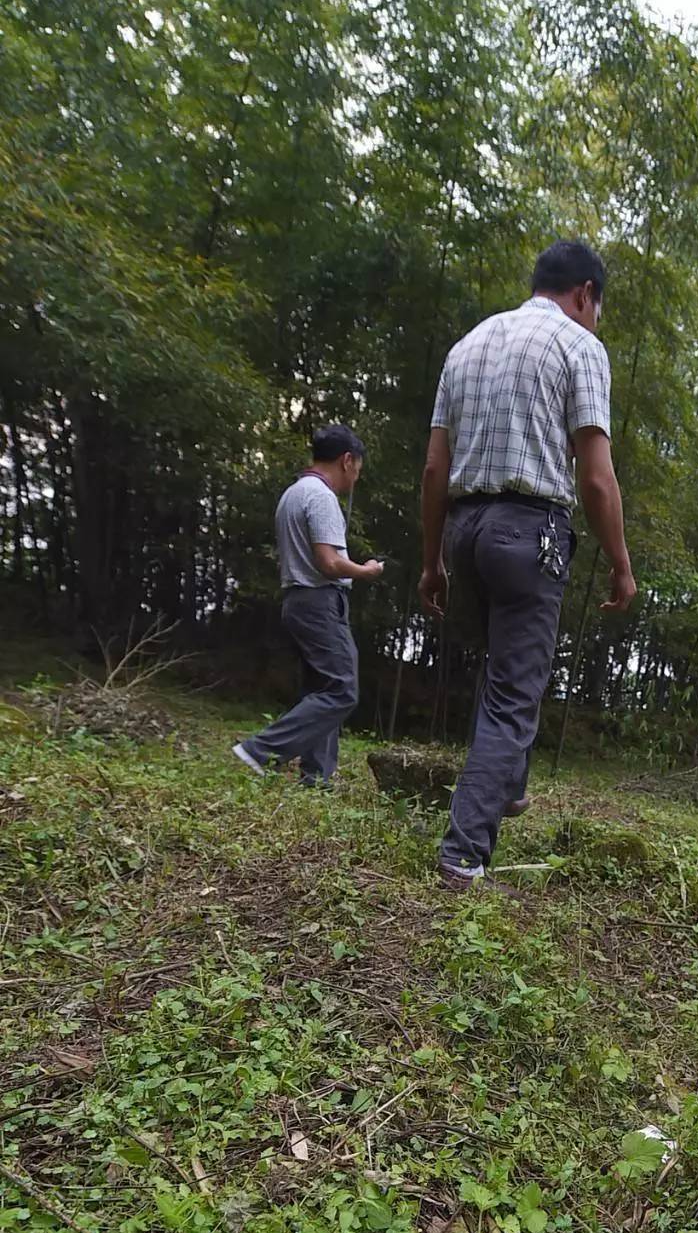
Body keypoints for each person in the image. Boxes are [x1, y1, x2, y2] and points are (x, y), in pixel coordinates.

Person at [419, 239, 635, 888]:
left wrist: (432, 560)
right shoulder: (579, 346)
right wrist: (622, 564)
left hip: (465, 530)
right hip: (528, 531)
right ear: (585, 295)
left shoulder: (469, 345)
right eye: (598, 307)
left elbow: (434, 467)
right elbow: (596, 481)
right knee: (515, 691)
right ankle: (463, 854)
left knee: (505, 671)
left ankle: (507, 790)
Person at [233, 424, 382, 788]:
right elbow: (329, 562)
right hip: (319, 601)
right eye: (357, 471)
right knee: (343, 690)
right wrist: (365, 570)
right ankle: (261, 750)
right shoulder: (321, 496)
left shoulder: (294, 493)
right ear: (347, 461)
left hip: (298, 601)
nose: (354, 480)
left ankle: (316, 779)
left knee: (321, 689)